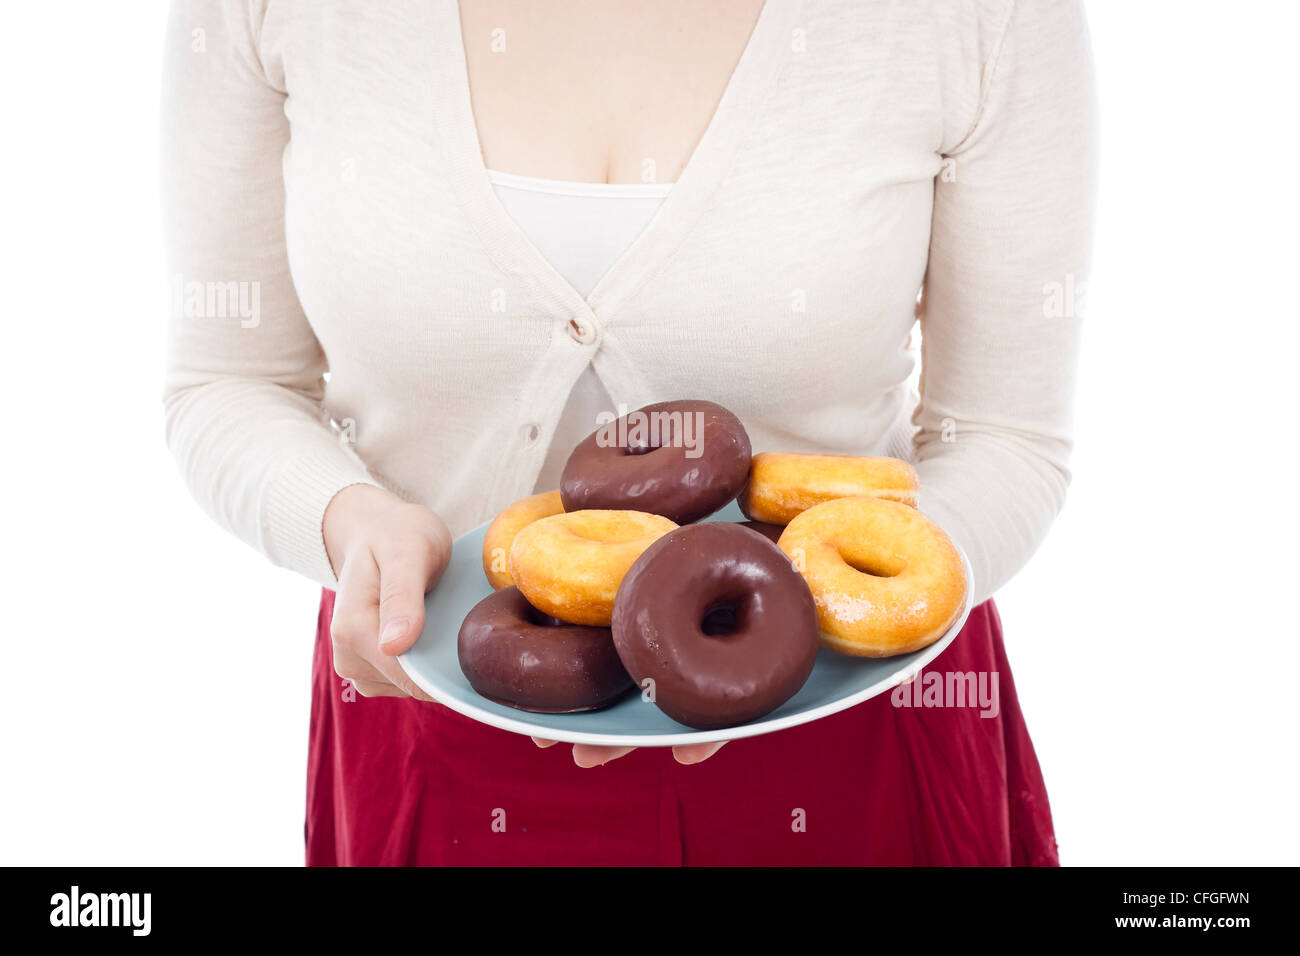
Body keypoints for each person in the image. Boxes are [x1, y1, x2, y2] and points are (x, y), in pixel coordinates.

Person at [162, 0, 1095, 865]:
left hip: (854, 738)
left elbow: (1007, 435)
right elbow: (229, 382)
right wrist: (347, 521)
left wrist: (872, 617)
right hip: (429, 730)